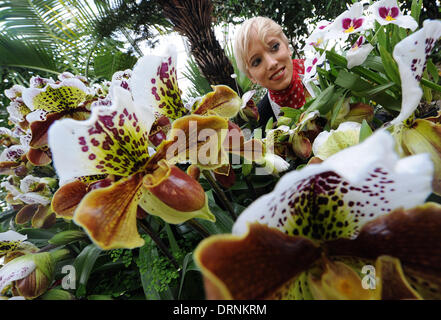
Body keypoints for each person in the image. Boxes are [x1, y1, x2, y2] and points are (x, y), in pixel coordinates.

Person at [234, 16, 307, 128]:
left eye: (275, 47)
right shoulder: (260, 122)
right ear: (251, 76)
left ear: (287, 47)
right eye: (257, 61)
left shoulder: (325, 75)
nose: (271, 63)